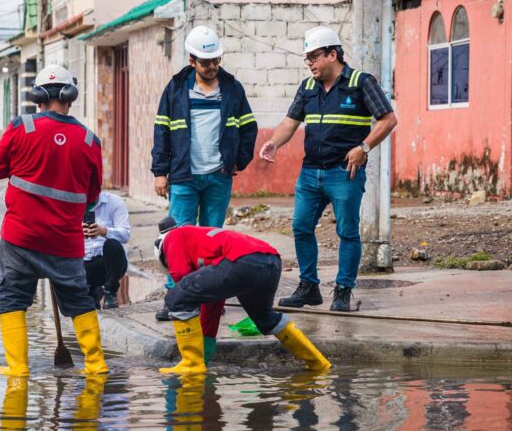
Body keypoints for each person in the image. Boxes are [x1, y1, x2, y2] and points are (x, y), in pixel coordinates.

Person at [259, 26, 398, 312]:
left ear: (332, 54)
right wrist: (274, 142)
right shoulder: (307, 87)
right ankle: (309, 287)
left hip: (343, 173)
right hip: (310, 173)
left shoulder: (361, 83)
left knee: (347, 232)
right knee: (300, 227)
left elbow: (388, 120)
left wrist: (364, 148)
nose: (309, 62)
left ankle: (343, 291)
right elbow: (290, 122)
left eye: (313, 56)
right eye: (307, 58)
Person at [0, 64, 109, 377]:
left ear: (36, 95)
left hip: (20, 237)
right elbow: (93, 196)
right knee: (79, 299)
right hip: (64, 240)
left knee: (12, 297)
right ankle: (95, 365)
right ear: (71, 95)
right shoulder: (89, 140)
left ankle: (18, 369)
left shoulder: (21, 126)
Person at [151, 25, 258, 320]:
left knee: (214, 240)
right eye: (205, 62)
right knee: (178, 240)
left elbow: (249, 127)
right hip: (184, 176)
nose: (211, 67)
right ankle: (176, 298)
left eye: (216, 61)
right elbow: (161, 131)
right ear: (191, 61)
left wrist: (240, 160)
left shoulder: (232, 89)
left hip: (218, 176)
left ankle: (211, 301)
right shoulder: (175, 89)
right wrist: (161, 172)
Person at [154, 216, 331, 374]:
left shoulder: (172, 237)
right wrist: (206, 350)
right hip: (270, 261)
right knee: (265, 319)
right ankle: (318, 363)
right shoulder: (202, 245)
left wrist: (181, 297)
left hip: (241, 261)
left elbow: (180, 274)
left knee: (176, 297)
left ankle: (191, 365)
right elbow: (212, 304)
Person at [83, 191, 131, 310]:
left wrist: (104, 232)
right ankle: (90, 291)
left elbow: (125, 235)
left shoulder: (114, 201)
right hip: (83, 265)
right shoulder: (71, 203)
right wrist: (77, 233)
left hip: (109, 264)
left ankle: (110, 293)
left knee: (112, 244)